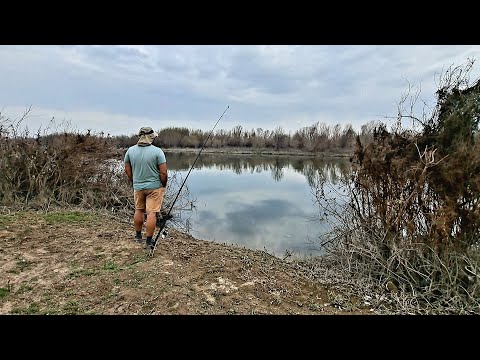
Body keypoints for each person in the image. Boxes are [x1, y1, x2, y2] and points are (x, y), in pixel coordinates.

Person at [124, 127, 167, 249]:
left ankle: (138, 236)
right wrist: (163, 185)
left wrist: (134, 181)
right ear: (151, 137)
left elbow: (127, 170)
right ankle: (149, 241)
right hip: (155, 188)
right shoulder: (158, 152)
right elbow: (163, 173)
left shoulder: (130, 151)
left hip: (138, 187)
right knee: (151, 213)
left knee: (139, 210)